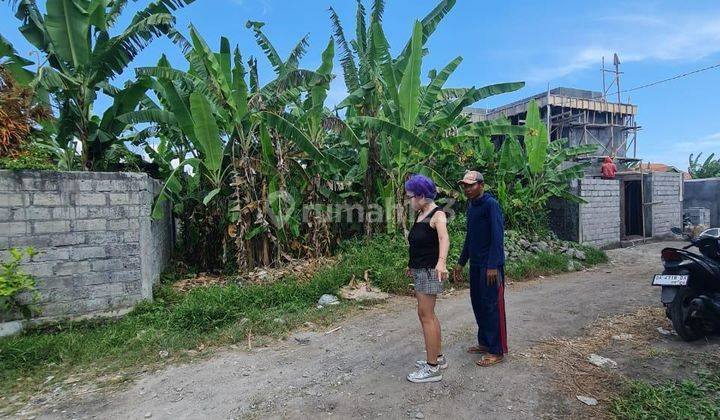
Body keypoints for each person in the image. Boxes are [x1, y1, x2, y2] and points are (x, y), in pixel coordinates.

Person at [452, 170, 508, 367]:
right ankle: (484, 342)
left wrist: (493, 264)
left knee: (492, 306)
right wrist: (461, 262)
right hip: (476, 265)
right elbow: (470, 238)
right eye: (465, 186)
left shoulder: (491, 205)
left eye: (471, 185)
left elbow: (497, 236)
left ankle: (496, 350)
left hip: (490, 267)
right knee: (478, 304)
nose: (467, 189)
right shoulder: (472, 206)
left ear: (481, 185)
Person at [404, 174, 450, 383]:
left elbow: (443, 238)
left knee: (426, 316)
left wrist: (441, 262)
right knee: (428, 314)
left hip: (430, 271)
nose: (409, 200)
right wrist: (411, 265)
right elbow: (419, 244)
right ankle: (437, 358)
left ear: (421, 196)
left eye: (411, 196)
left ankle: (432, 369)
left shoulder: (437, 214)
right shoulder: (421, 214)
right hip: (420, 269)